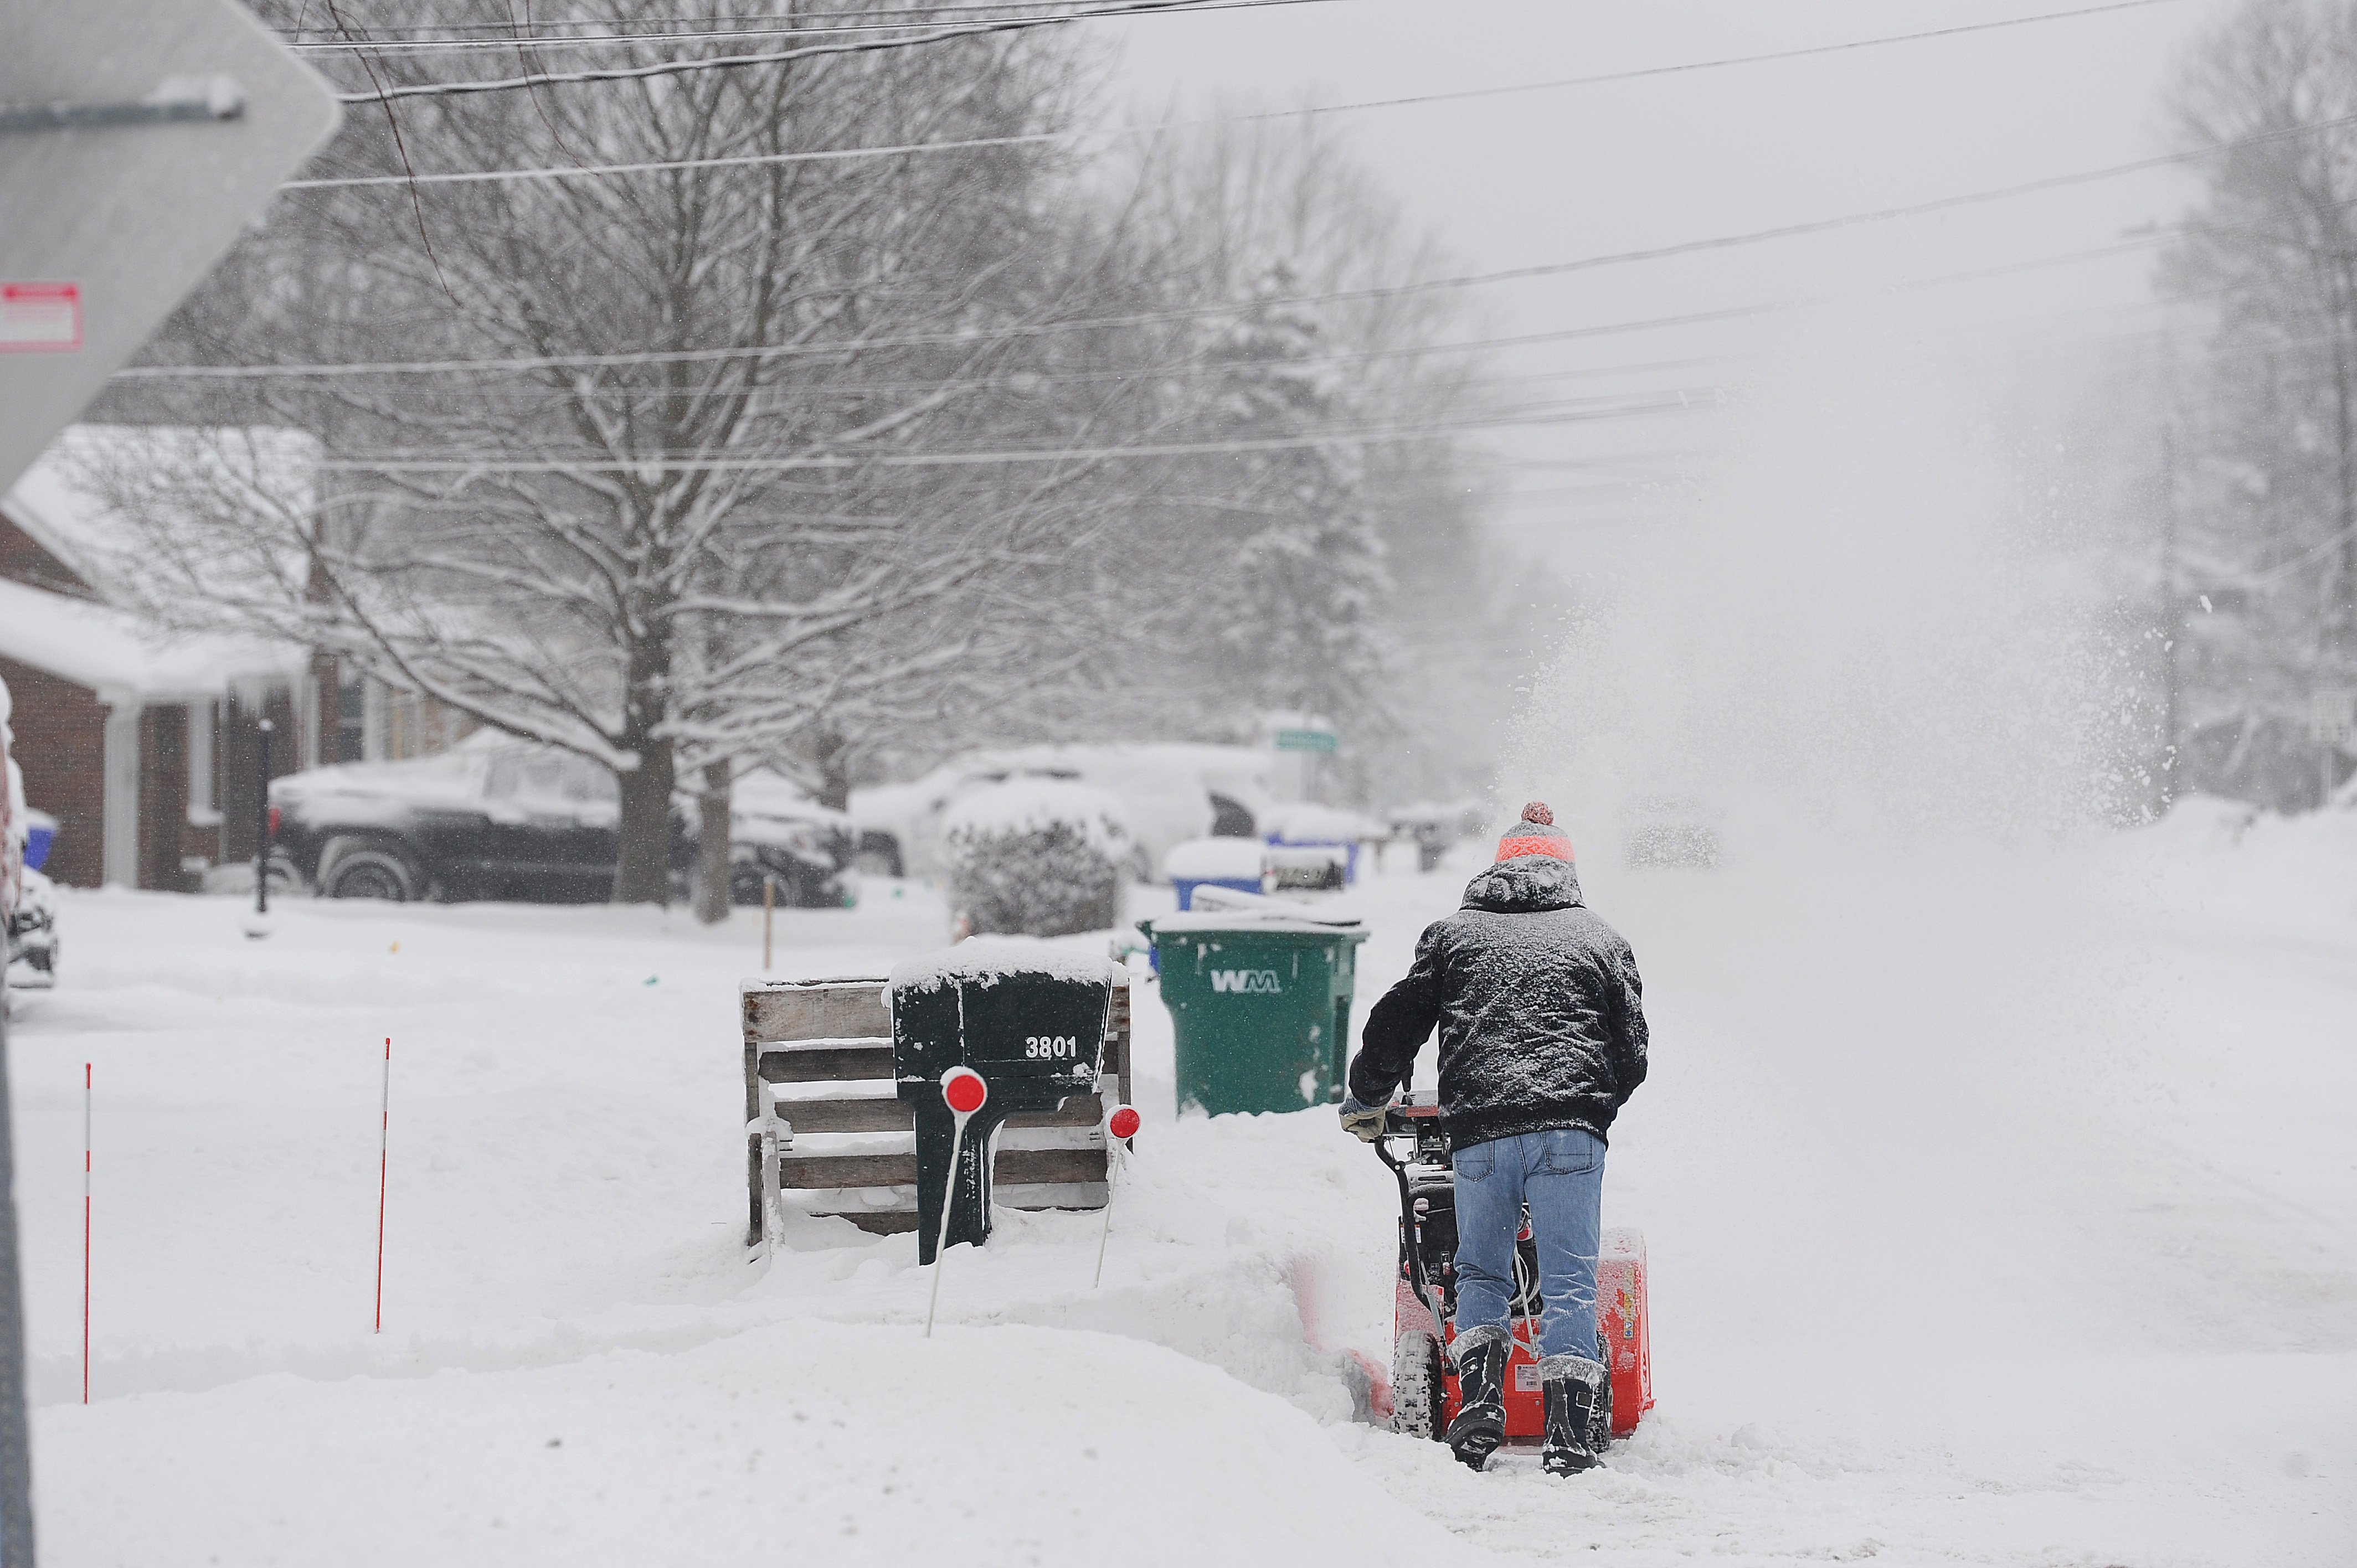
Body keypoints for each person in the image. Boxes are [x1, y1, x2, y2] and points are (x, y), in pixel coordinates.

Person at [1340, 802, 1648, 1476]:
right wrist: (1590, 1113)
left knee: (1478, 1271)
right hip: (1570, 1132)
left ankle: (1478, 1408)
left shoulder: (1453, 936)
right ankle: (1569, 1437)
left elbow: (1395, 1023)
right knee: (1568, 1283)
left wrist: (1366, 1096)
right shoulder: (1599, 939)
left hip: (1479, 1132)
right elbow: (1631, 1053)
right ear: (1565, 872)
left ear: (1496, 869)